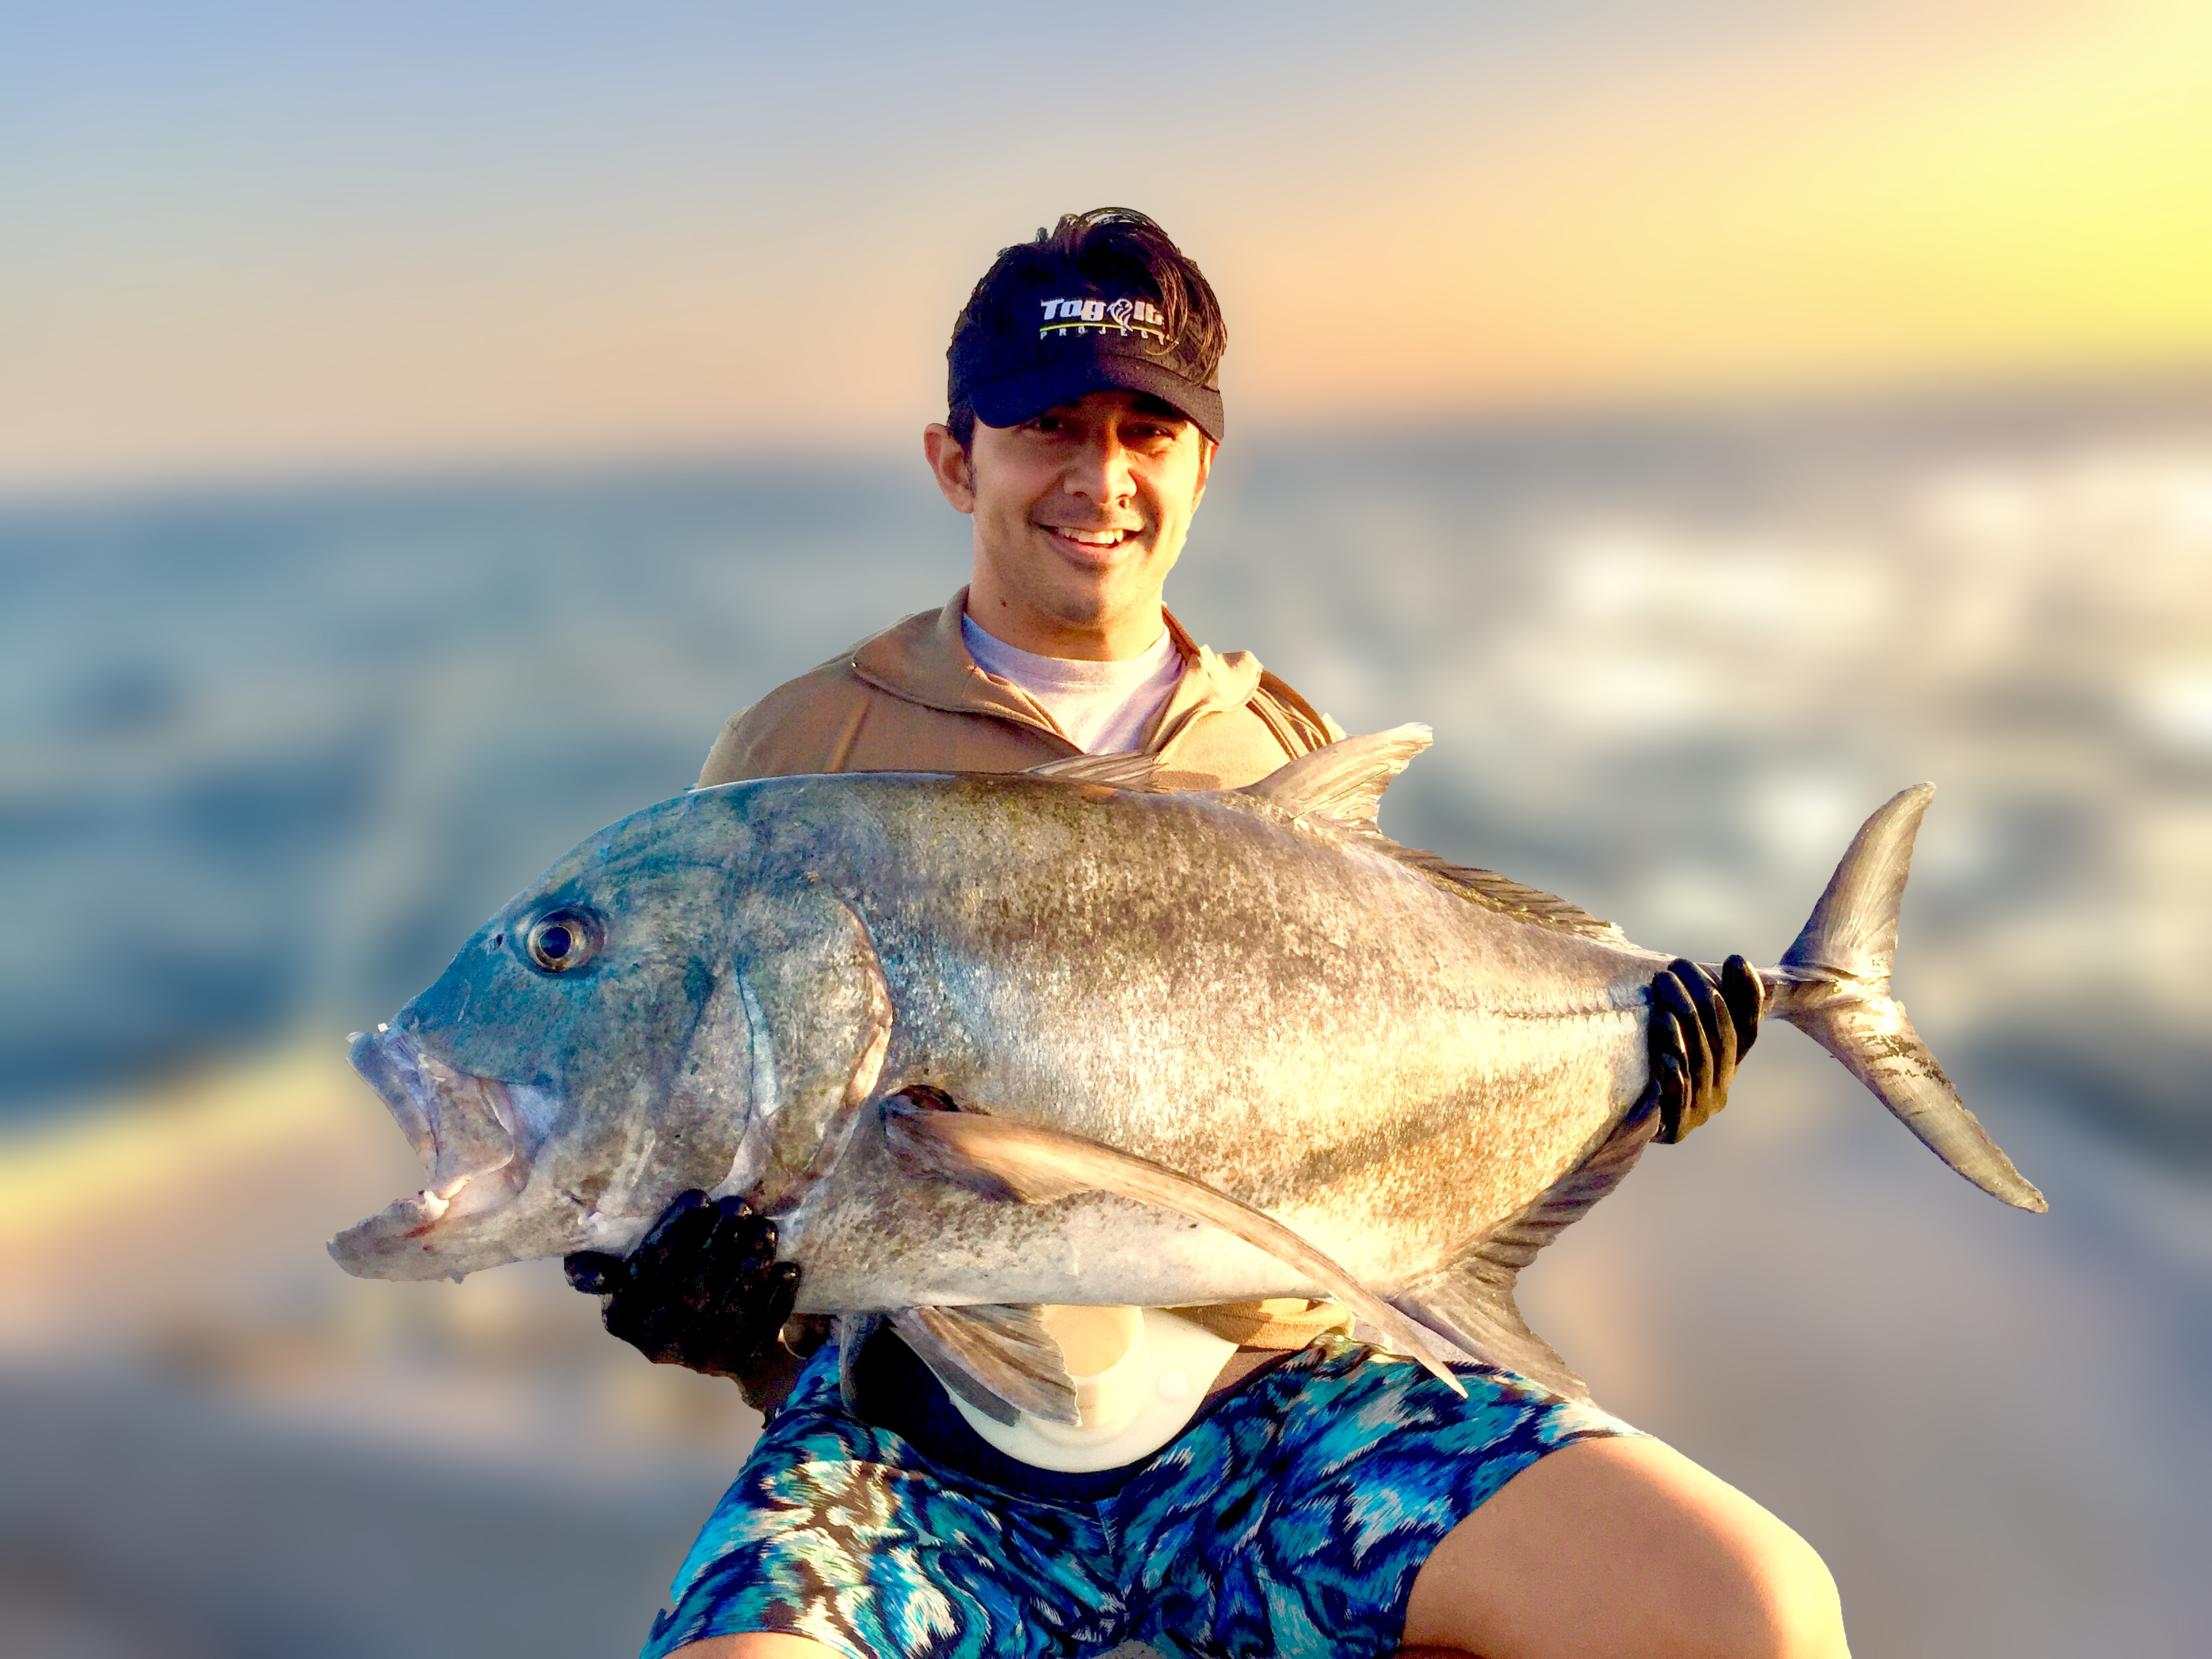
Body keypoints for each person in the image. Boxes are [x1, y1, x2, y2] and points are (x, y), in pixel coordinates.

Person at [565, 209, 1847, 1659]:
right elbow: (725, 1125)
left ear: (1202, 465)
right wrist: (723, 1314)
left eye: (1147, 430)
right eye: (1050, 424)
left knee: (1749, 1605)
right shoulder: (801, 752)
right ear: (953, 456)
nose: (1100, 476)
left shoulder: (1278, 747)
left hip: (1281, 1404)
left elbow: (1393, 1103)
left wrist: (1617, 1085)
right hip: (916, 1443)